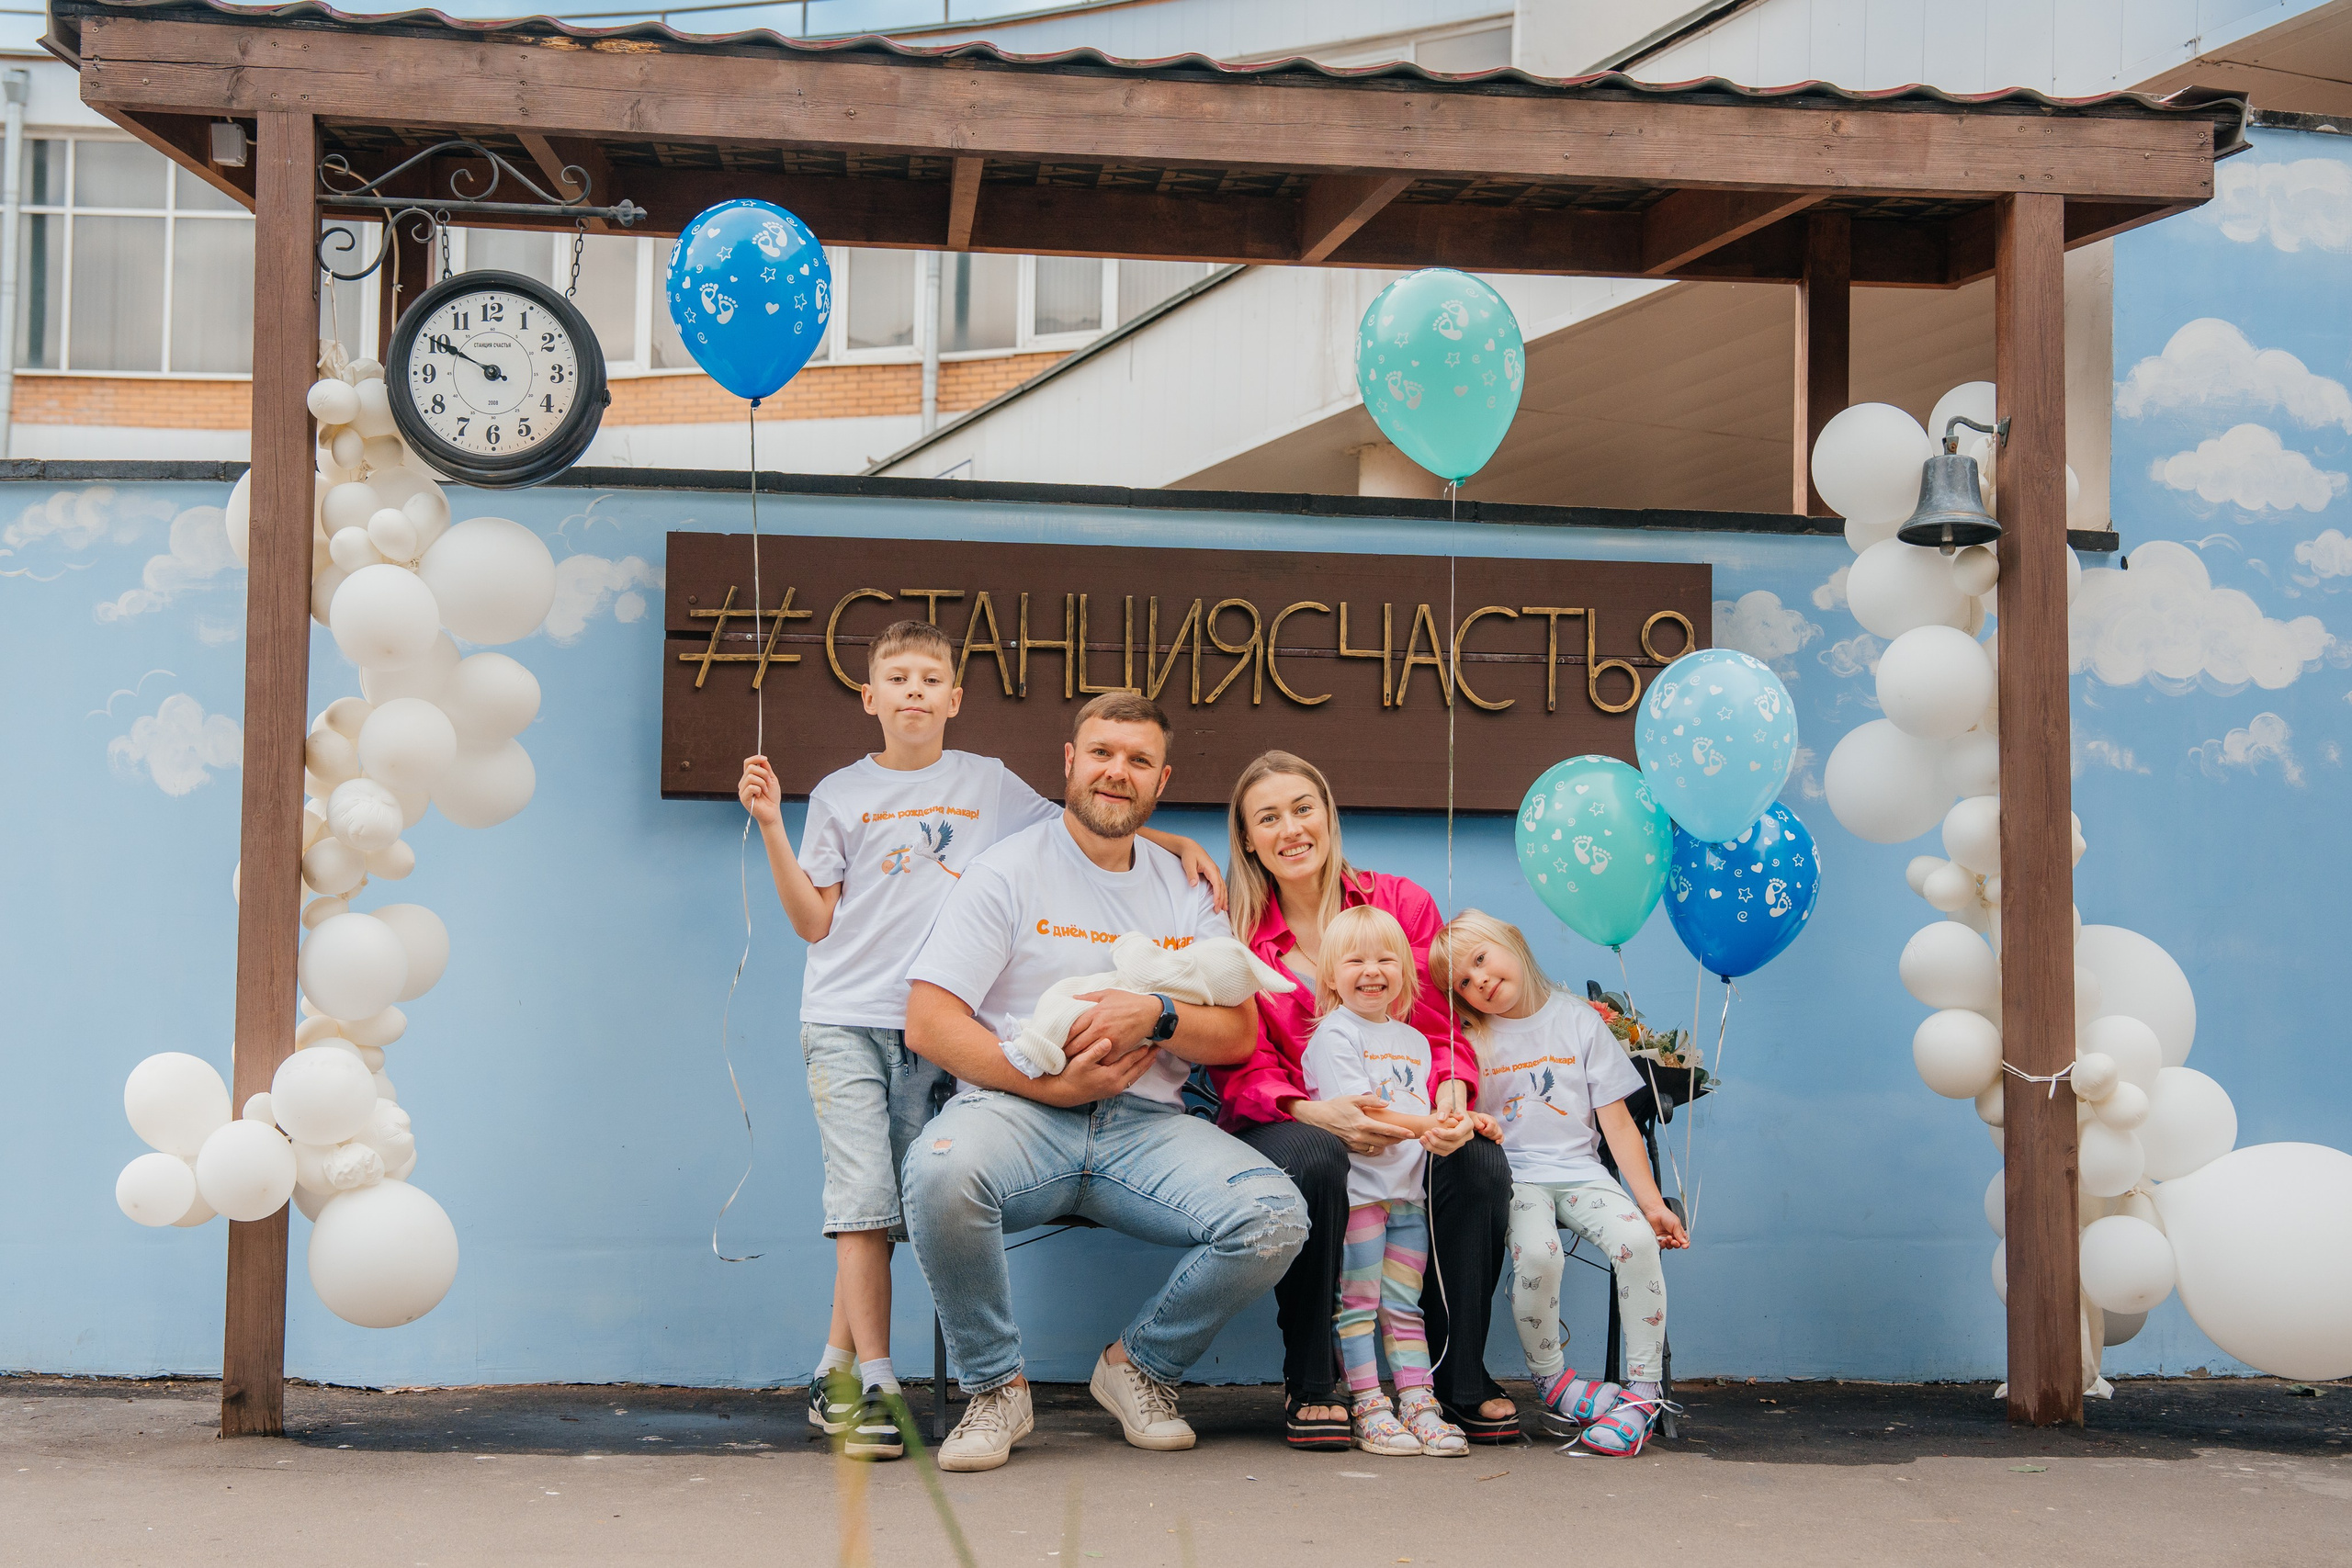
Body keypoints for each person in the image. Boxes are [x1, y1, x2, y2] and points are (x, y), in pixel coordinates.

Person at [736, 623, 1224, 1461]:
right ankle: (874, 1383)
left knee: (888, 1202)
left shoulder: (989, 783)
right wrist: (774, 827)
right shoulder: (838, 793)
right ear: (871, 697)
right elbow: (814, 919)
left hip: (941, 1024)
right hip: (852, 1016)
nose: (916, 690)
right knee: (863, 1204)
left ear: (956, 699)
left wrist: (1175, 843)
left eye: (932, 677)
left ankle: (833, 1367)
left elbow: (1092, 823)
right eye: (898, 676)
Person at [899, 693, 1307, 1474]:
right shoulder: (1006, 871)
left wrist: (1154, 1013)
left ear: (1162, 780)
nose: (1117, 771)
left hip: (1145, 1127)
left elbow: (1237, 1033)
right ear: (1070, 760)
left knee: (1274, 1213)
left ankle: (1140, 1367)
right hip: (1018, 1113)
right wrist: (1040, 1083)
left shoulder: (1189, 887)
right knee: (940, 1168)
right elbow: (930, 1022)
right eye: (1102, 753)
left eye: (1139, 760)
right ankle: (995, 1388)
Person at [1214, 750, 1522, 1450]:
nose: (1290, 829)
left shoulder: (1400, 904)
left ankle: (1455, 1377)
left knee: (1476, 1162)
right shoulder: (1238, 934)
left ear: (1328, 816)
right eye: (1268, 817)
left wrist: (1448, 1103)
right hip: (1290, 1115)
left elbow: (1443, 1030)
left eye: (1302, 808)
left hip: (1407, 1110)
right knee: (1318, 1158)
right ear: (1248, 839)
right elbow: (1242, 1063)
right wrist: (1316, 1111)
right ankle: (1313, 1378)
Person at [1429, 909, 1691, 1459]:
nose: (1479, 980)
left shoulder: (1579, 1021)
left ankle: (1644, 1393)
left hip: (1579, 1171)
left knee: (1638, 1243)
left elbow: (1617, 1122)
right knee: (1540, 1255)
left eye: (1481, 959)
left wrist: (1650, 1204)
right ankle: (1555, 1383)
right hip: (1515, 1175)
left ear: (1514, 941)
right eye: (1463, 981)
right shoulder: (1469, 1036)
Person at [1300, 904, 1493, 1457]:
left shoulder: (1412, 1040)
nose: (1372, 971)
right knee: (1358, 1302)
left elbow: (1428, 1100)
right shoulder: (1334, 1035)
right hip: (1361, 1195)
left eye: (1387, 958)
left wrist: (1458, 1119)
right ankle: (1368, 1403)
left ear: (1406, 973)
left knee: (1404, 1304)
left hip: (1409, 1196)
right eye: (1355, 960)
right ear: (1331, 975)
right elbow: (1367, 1115)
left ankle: (1417, 1401)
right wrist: (1429, 1125)